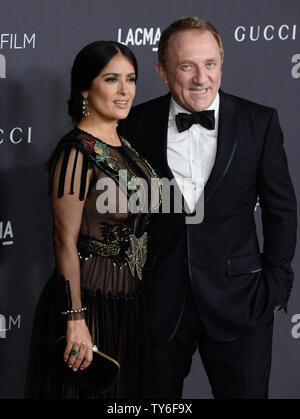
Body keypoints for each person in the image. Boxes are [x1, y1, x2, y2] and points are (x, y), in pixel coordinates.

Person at [118, 17, 297, 399]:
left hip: (241, 300)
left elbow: (281, 209)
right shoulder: (133, 125)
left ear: (221, 63)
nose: (202, 78)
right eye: (187, 66)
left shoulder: (259, 122)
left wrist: (276, 287)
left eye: (210, 64)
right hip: (159, 303)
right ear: (162, 71)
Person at [25, 40, 160, 399]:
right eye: (111, 79)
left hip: (130, 306)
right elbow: (63, 240)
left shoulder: (128, 149)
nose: (124, 90)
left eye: (130, 79)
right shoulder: (75, 153)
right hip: (86, 306)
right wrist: (75, 319)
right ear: (86, 88)